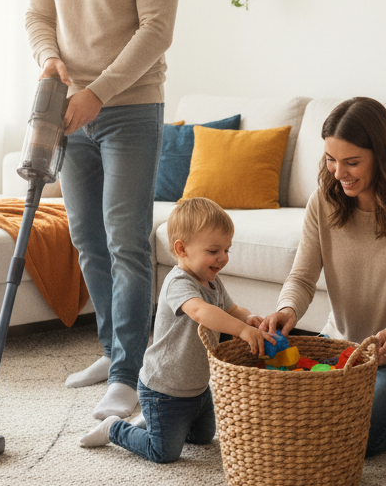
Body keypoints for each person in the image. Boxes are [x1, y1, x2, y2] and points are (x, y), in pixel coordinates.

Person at [26, 0, 181, 421]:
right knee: (85, 236)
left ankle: (129, 375)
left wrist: (100, 92)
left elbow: (156, 31)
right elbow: (39, 17)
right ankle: (113, 349)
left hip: (132, 108)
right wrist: (50, 62)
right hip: (70, 110)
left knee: (126, 238)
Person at [261, 97, 386, 456]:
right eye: (331, 160)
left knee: (354, 438)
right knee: (289, 414)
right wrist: (287, 310)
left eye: (351, 163)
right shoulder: (324, 201)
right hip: (341, 351)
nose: (338, 173)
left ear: (382, 156)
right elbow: (302, 277)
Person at [78, 197, 272, 459]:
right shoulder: (178, 283)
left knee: (202, 438)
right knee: (163, 452)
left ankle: (151, 422)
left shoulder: (212, 282)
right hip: (164, 389)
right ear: (182, 249)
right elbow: (202, 312)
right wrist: (241, 330)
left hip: (198, 388)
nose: (223, 258)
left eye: (227, 250)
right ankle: (114, 428)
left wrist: (250, 319)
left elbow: (231, 309)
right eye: (213, 251)